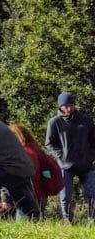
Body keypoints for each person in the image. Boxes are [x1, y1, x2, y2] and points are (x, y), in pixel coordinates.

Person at [45, 91, 95, 224]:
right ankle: (67, 220)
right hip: (66, 166)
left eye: (71, 105)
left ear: (74, 105)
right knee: (65, 195)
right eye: (65, 106)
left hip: (85, 165)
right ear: (60, 106)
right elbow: (49, 143)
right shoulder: (54, 122)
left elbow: (93, 141)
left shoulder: (86, 121)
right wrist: (61, 157)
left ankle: (92, 220)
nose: (68, 109)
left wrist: (90, 157)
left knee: (92, 193)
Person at [9, 123, 49, 219]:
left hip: (27, 195)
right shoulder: (37, 150)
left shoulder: (22, 153)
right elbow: (46, 173)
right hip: (41, 195)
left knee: (23, 227)